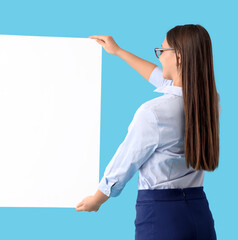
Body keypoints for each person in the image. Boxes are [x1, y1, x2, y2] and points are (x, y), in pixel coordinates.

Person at [76, 24, 220, 240]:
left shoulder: (153, 113)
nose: (159, 57)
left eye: (162, 51)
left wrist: (98, 198)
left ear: (179, 56)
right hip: (199, 214)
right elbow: (164, 80)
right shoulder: (210, 101)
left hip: (162, 216)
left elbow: (127, 160)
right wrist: (119, 51)